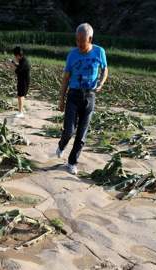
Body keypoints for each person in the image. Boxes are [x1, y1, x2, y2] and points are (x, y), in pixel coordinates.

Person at [56, 23, 109, 175]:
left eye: (82, 41)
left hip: (90, 95)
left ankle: (72, 162)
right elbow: (66, 78)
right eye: (77, 40)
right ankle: (61, 145)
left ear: (90, 39)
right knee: (68, 131)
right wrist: (61, 99)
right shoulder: (72, 54)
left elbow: (105, 69)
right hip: (73, 95)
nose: (79, 44)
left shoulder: (99, 52)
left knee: (81, 134)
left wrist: (102, 81)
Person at [12, 46, 31, 118]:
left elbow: (17, 71)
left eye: (15, 56)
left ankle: (20, 112)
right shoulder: (23, 60)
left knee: (20, 96)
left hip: (24, 81)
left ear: (17, 55)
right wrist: (14, 63)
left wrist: (13, 66)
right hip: (22, 80)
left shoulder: (24, 61)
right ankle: (22, 109)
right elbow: (19, 67)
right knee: (21, 95)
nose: (15, 57)